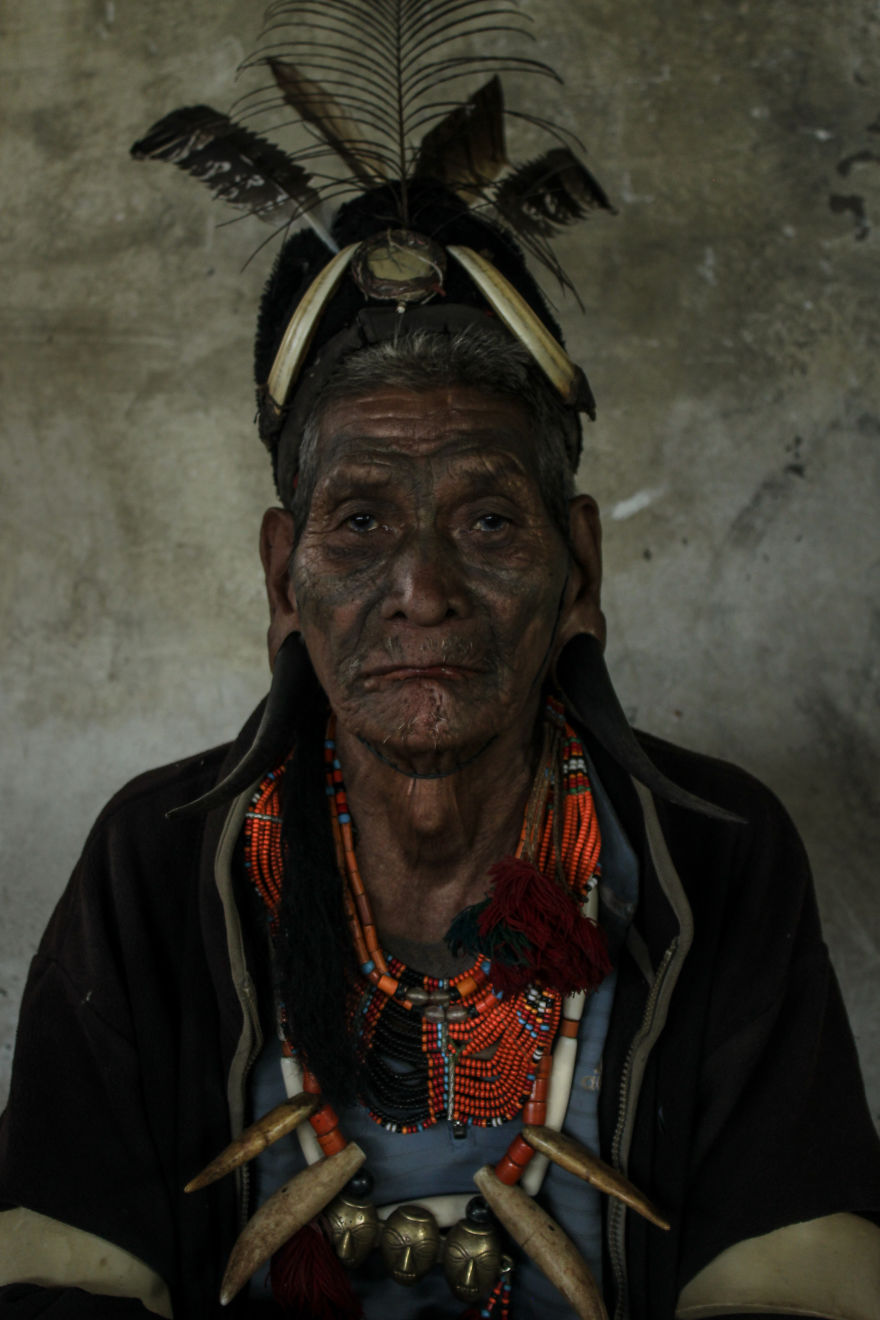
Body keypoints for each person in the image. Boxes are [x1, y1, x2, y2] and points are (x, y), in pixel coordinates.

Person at [1, 16, 879, 1317]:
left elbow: (802, 1287)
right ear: (280, 580)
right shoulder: (157, 867)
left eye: (485, 519)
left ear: (578, 569)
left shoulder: (715, 865)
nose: (421, 586)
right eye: (361, 521)